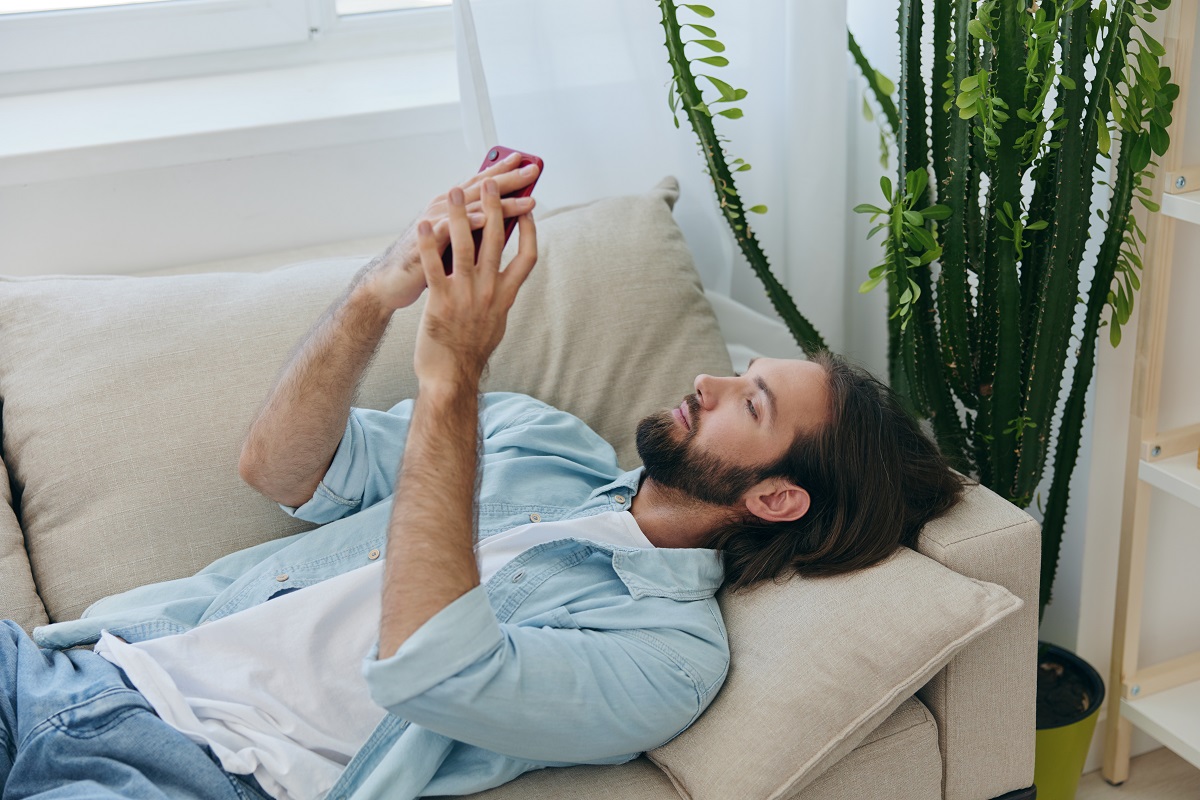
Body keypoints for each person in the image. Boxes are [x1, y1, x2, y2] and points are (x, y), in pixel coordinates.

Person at [3, 154, 964, 800]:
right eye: (739, 376)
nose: (710, 381)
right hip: (84, 660)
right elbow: (280, 469)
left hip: (189, 772)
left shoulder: (666, 657)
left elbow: (430, 666)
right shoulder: (532, 439)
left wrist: (452, 371)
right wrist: (382, 289)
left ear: (775, 499)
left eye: (750, 405)